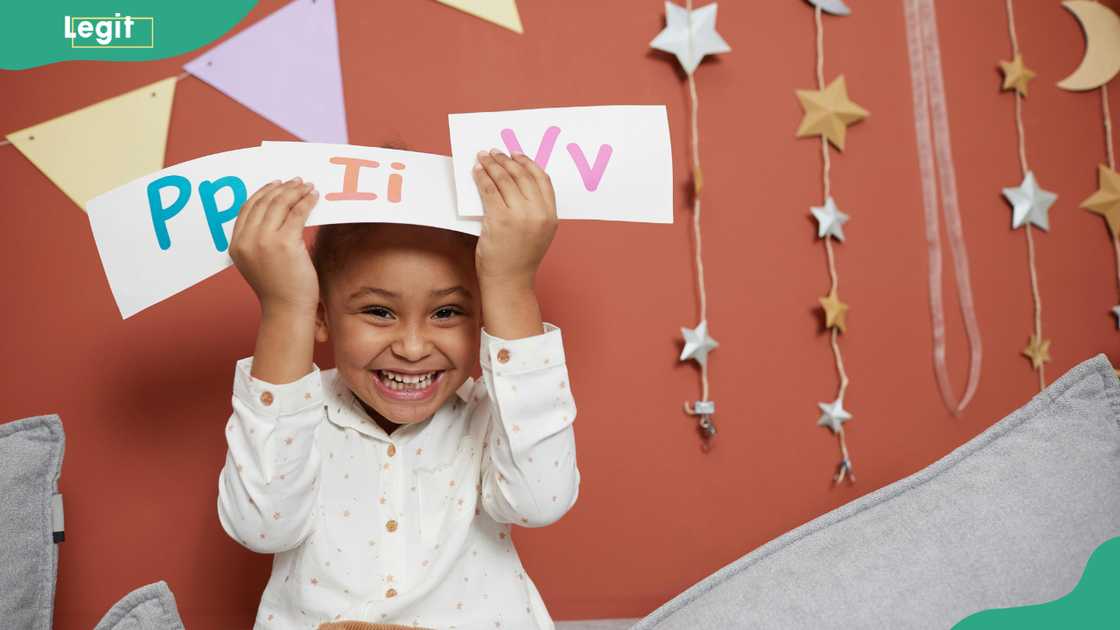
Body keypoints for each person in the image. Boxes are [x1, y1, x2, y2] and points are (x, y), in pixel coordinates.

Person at [217, 149, 579, 629]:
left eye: (446, 312)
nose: (412, 348)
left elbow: (542, 500)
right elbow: (261, 526)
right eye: (379, 312)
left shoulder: (495, 414)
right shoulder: (296, 415)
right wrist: (286, 309)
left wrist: (512, 283)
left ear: (483, 316)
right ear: (321, 316)